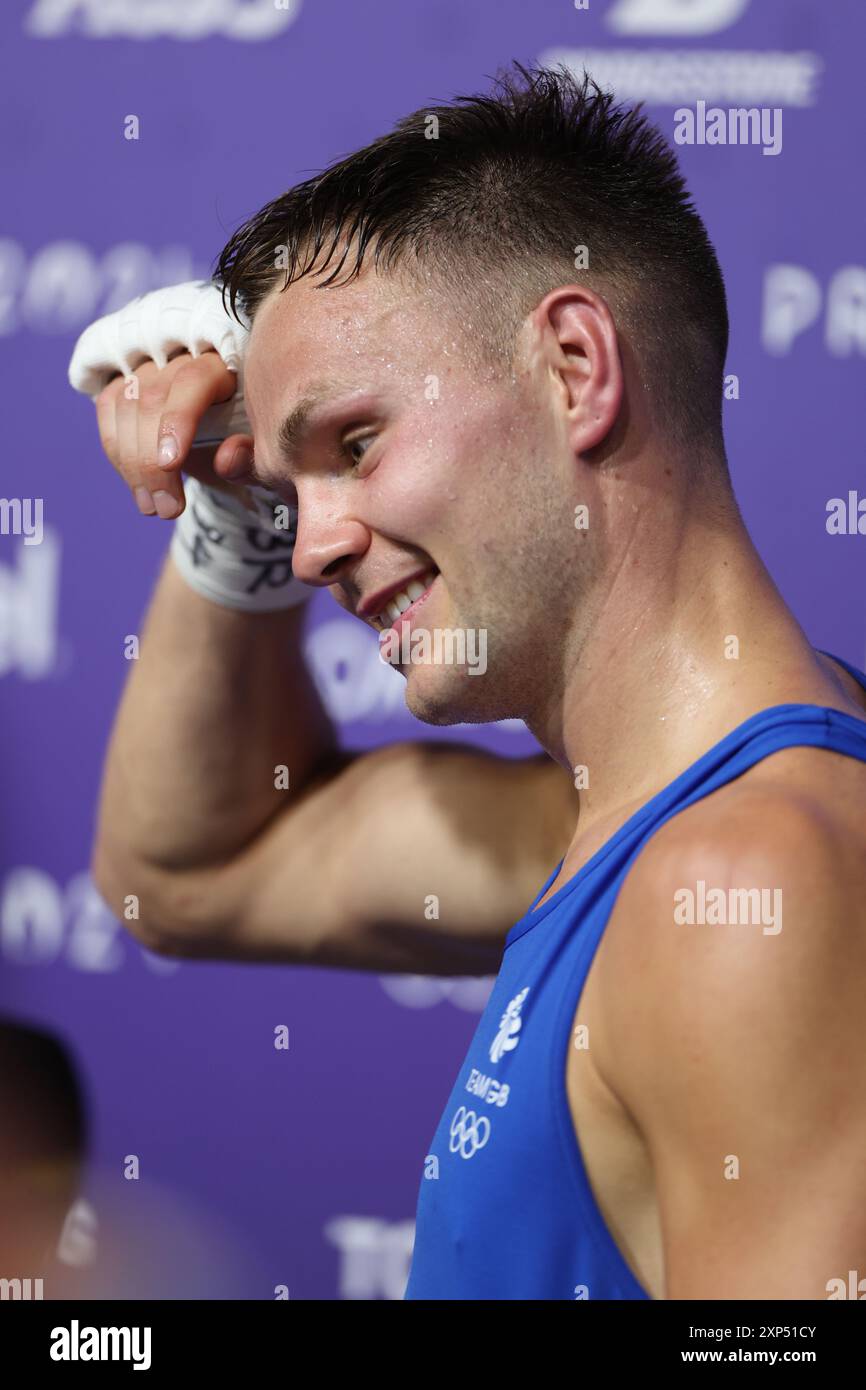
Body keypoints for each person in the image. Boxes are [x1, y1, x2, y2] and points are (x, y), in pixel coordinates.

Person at [71, 64, 866, 1300]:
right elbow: (184, 877)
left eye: (357, 443)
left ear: (573, 366)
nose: (317, 542)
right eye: (291, 496)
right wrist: (230, 520)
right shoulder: (627, 826)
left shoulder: (747, 886)